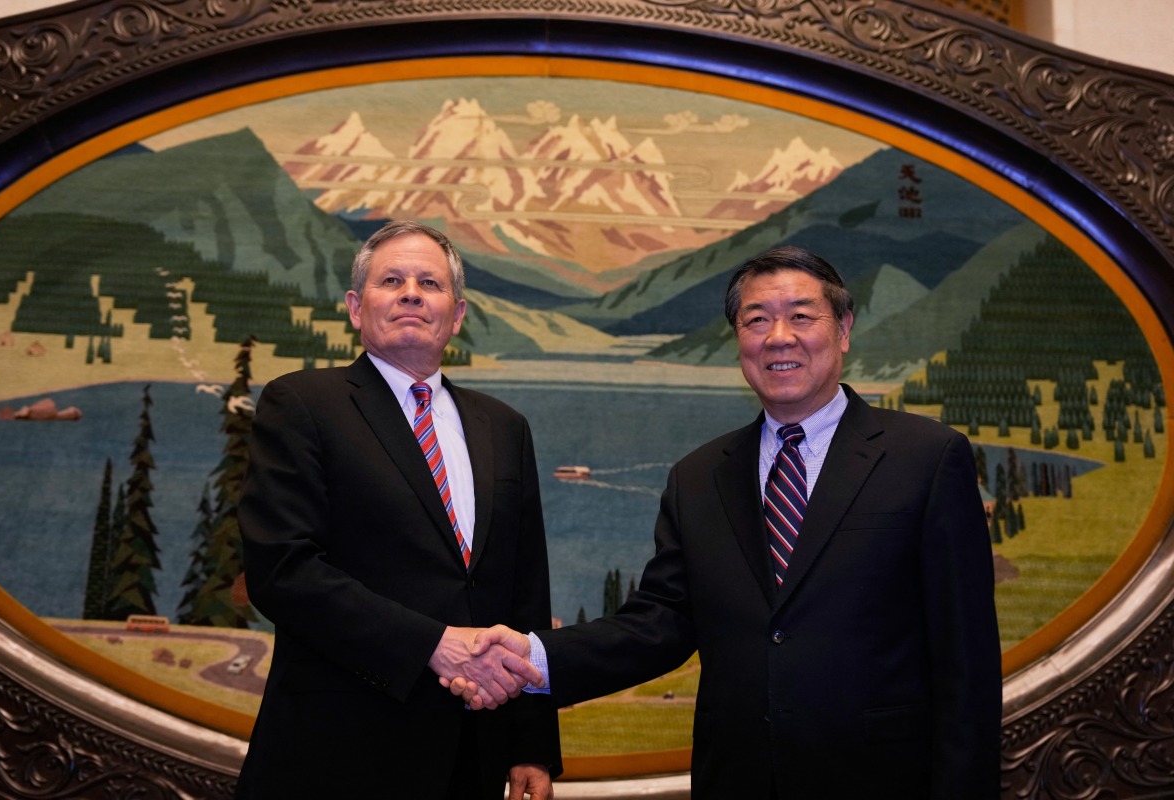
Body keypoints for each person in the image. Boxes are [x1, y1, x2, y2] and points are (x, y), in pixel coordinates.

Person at [453, 245, 1002, 798]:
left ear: (844, 329)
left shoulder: (926, 457)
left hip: (884, 779)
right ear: (738, 339)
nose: (779, 336)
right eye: (756, 320)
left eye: (802, 316)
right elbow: (660, 624)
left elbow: (967, 660)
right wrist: (536, 656)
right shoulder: (698, 478)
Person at [236, 220, 561, 799]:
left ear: (456, 316)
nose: (412, 292)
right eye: (393, 280)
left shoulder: (504, 428)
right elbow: (283, 570)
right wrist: (431, 643)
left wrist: (531, 742)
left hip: (472, 753)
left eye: (429, 283)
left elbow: (525, 589)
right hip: (336, 752)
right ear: (357, 308)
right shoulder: (304, 404)